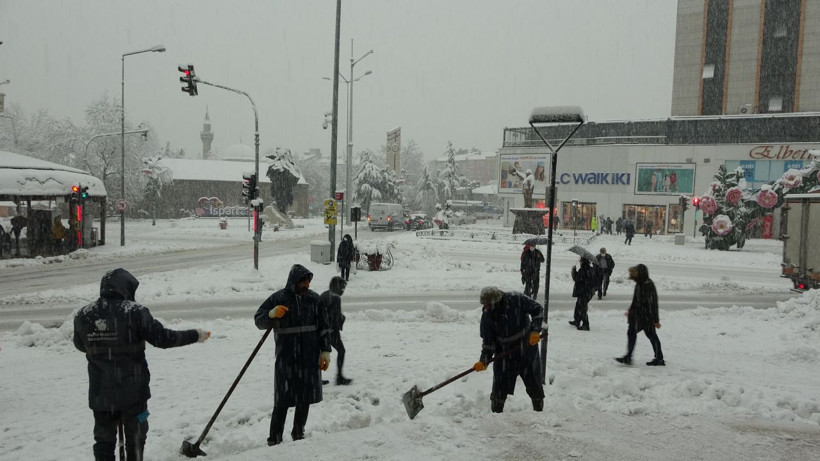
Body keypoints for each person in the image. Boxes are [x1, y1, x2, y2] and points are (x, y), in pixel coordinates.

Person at [73, 268, 211, 460]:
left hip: (101, 394)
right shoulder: (135, 312)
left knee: (103, 442)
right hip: (134, 394)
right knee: (136, 439)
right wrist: (194, 335)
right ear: (126, 288)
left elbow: (80, 345)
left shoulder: (84, 315)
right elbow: (163, 339)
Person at [254, 264, 331, 446]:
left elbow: (324, 327)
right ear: (294, 282)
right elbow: (259, 319)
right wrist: (271, 314)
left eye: (308, 281)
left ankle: (298, 433)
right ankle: (275, 438)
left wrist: (325, 351)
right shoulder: (279, 298)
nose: (307, 285)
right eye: (303, 281)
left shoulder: (314, 300)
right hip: (286, 359)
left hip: (309, 358)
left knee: (304, 399)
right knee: (282, 401)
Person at [472, 286, 544, 413]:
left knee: (534, 384)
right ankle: (496, 415)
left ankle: (539, 412)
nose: (485, 308)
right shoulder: (487, 316)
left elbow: (537, 309)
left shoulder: (516, 299)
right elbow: (488, 343)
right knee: (499, 389)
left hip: (526, 347)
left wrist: (535, 330)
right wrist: (484, 360)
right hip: (504, 353)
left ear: (497, 302)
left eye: (488, 305)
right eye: (484, 305)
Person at [616, 264, 665, 366]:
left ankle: (658, 358)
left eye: (635, 274)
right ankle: (630, 357)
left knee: (650, 335)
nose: (633, 277)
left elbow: (653, 303)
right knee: (638, 334)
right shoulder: (640, 284)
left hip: (646, 317)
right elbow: (636, 301)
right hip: (639, 316)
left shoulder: (648, 285)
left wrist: (655, 320)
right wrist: (631, 311)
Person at [319, 276, 352, 385]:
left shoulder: (324, 294)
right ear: (336, 286)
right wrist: (342, 319)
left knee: (318, 353)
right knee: (341, 351)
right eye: (342, 287)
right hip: (331, 331)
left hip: (320, 329)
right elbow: (335, 317)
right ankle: (339, 377)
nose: (343, 290)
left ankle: (316, 377)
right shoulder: (335, 298)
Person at [569, 258, 595, 330]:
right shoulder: (589, 269)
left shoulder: (584, 270)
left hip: (584, 292)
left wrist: (573, 271)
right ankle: (577, 320)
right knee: (578, 306)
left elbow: (577, 279)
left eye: (581, 260)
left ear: (583, 262)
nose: (580, 261)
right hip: (586, 291)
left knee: (582, 308)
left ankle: (586, 325)